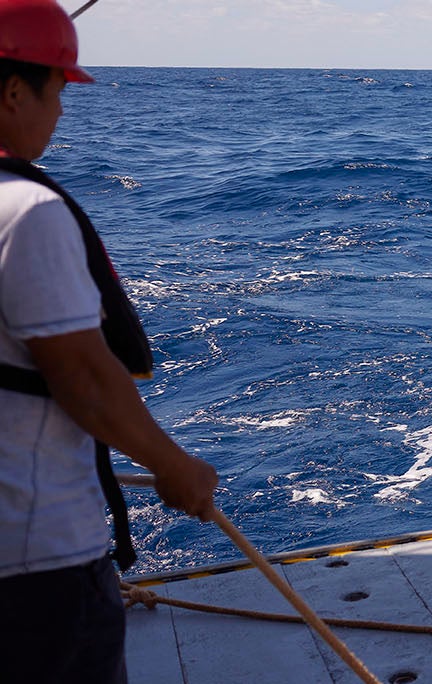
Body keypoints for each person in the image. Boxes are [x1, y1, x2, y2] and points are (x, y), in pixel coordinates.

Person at [0, 1, 220, 681]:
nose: (62, 111)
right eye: (59, 90)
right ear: (13, 92)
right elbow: (87, 381)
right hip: (34, 563)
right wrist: (174, 466)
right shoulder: (27, 211)